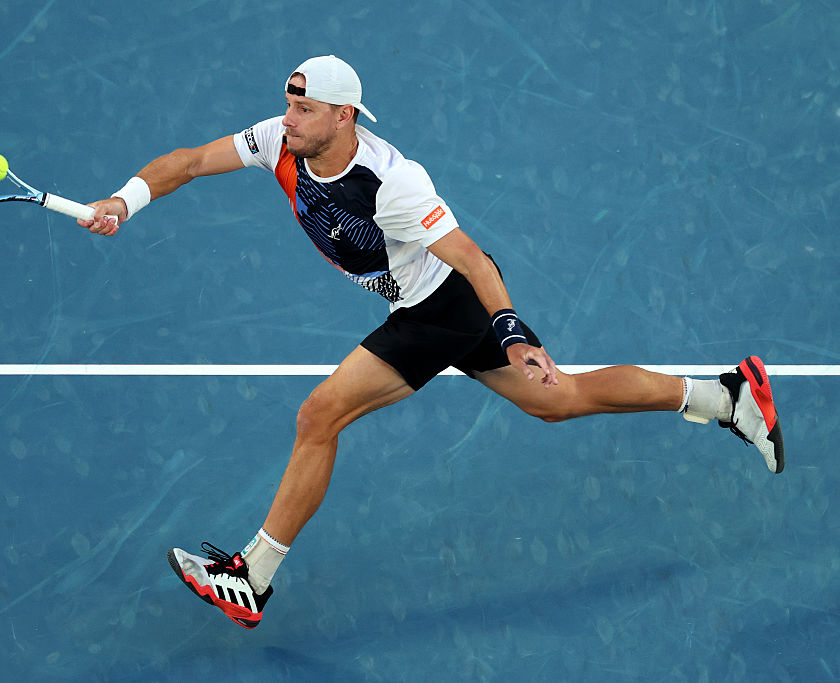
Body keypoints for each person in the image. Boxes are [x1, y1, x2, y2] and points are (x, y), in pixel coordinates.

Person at [78, 55, 784, 629]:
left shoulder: (393, 183)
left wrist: (512, 330)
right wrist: (122, 200)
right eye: (288, 103)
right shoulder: (279, 142)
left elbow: (476, 260)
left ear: (343, 115)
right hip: (428, 308)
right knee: (559, 400)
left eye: (303, 109)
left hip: (442, 309)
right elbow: (190, 161)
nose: (286, 118)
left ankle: (252, 576)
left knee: (320, 414)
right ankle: (725, 395)